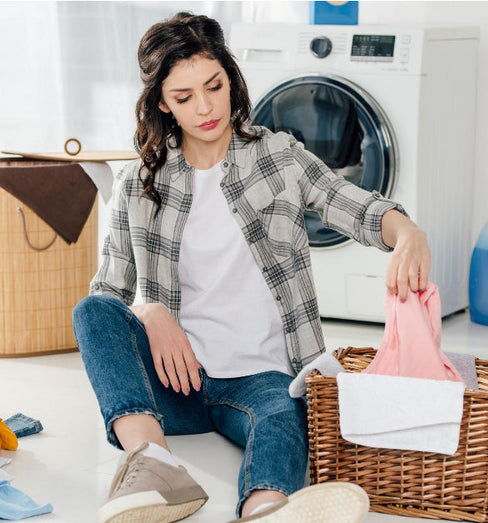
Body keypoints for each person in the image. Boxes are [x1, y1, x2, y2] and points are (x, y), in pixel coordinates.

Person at [72, 11, 430, 523]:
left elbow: (361, 210)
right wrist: (149, 310)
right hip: (175, 380)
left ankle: (266, 509)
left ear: (231, 79)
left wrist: (409, 234)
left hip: (261, 378)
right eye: (183, 97)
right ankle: (153, 464)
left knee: (283, 417)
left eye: (214, 86)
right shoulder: (139, 183)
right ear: (161, 105)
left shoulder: (280, 157)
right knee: (91, 312)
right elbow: (108, 294)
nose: (205, 107)